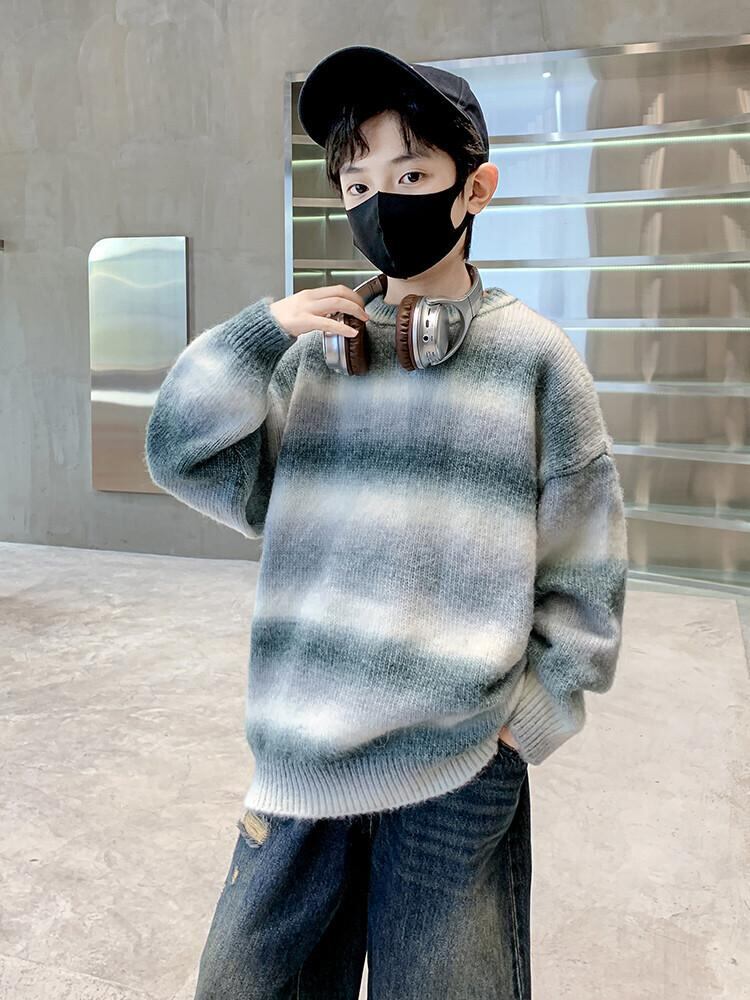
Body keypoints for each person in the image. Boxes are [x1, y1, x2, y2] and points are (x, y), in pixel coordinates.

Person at [144, 44, 629, 1000]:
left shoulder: (535, 361)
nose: (379, 203)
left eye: (410, 176)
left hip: (460, 769)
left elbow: (587, 567)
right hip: (301, 761)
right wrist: (260, 334)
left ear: (474, 188)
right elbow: (179, 453)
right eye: (358, 183)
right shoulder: (314, 361)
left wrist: (526, 724)